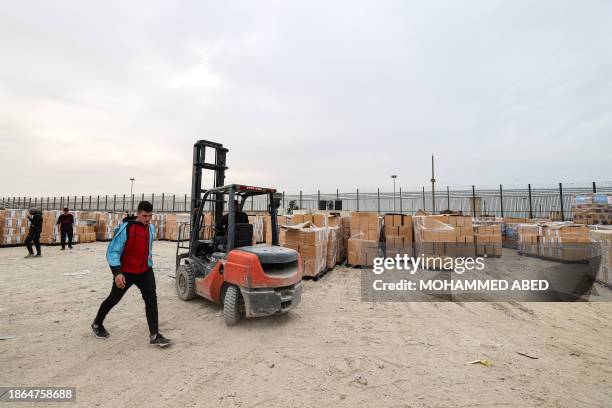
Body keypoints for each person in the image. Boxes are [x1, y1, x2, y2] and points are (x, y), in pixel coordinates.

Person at [91, 201, 170, 347]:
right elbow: (113, 252)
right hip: (126, 272)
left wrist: (148, 263)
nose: (147, 219)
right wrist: (117, 273)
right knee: (113, 299)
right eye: (145, 216)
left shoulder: (151, 228)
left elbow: (148, 250)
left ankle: (154, 335)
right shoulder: (126, 228)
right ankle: (97, 324)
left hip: (145, 271)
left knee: (151, 300)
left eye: (150, 216)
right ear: (138, 214)